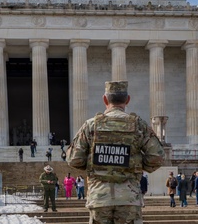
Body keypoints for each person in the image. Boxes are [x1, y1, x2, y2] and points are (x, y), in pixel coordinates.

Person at [66, 81, 165, 224]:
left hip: (99, 196)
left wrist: (93, 164)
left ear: (105, 99)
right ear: (127, 100)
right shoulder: (139, 125)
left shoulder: (90, 125)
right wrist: (135, 165)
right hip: (129, 196)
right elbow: (157, 156)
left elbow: (73, 159)